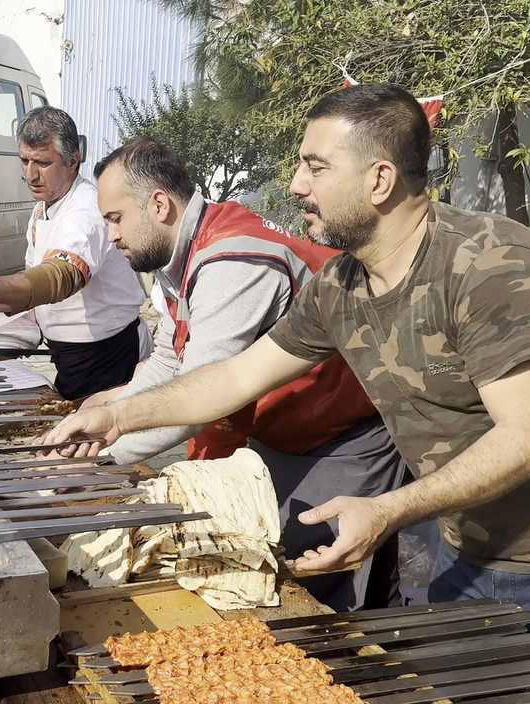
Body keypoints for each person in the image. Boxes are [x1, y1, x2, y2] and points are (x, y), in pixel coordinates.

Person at [44, 84, 530, 695]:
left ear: (379, 179)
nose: (295, 186)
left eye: (315, 167)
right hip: (464, 549)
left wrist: (388, 510)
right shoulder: (340, 286)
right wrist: (118, 418)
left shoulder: (490, 266)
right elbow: (236, 377)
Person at [70, 138, 406, 611]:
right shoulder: (181, 254)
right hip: (282, 426)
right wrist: (107, 429)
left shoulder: (233, 260)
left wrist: (101, 458)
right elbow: (170, 363)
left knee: (316, 583)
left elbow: (204, 397)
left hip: (341, 432)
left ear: (159, 204)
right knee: (270, 558)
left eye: (114, 218)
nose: (110, 235)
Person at [0, 107, 150, 401]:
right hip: (71, 356)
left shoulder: (85, 210)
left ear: (73, 161)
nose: (31, 175)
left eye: (43, 163)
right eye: (24, 161)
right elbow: (30, 283)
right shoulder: (43, 209)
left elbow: (60, 277)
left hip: (109, 356)